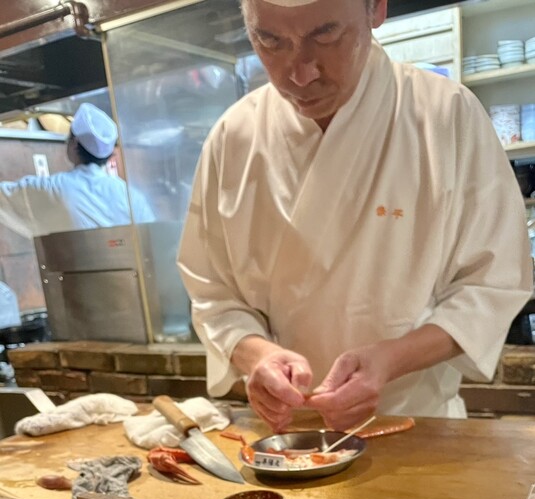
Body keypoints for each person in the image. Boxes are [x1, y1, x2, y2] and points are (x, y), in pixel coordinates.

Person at [178, 0, 533, 432]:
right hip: (286, 437)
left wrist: (391, 360)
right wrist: (257, 355)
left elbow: (493, 282)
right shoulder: (232, 137)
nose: (300, 74)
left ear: (376, 9)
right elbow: (212, 293)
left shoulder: (446, 114)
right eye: (269, 40)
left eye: (325, 34)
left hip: (418, 429)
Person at [0, 103, 154, 238]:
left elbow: (5, 198)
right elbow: (152, 238)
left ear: (74, 144)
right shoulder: (132, 196)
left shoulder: (57, 189)